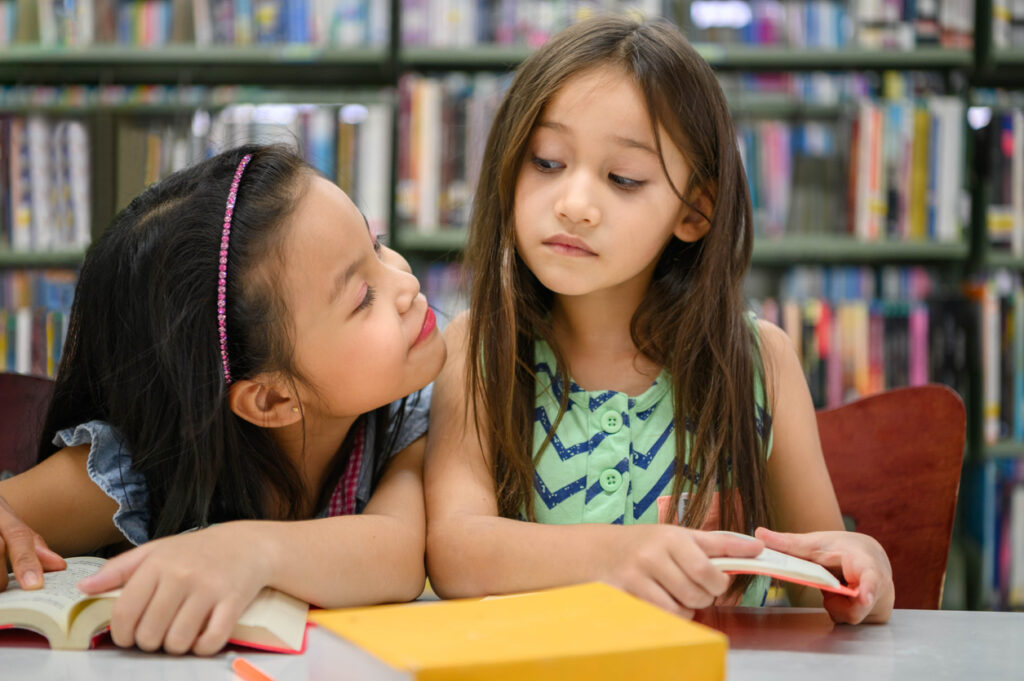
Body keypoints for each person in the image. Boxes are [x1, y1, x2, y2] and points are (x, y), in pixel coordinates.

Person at [424, 15, 893, 625]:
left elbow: (818, 582)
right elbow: (457, 552)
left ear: (695, 211)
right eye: (546, 162)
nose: (574, 204)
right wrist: (622, 553)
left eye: (623, 178)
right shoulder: (478, 347)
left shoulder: (758, 361)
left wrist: (860, 565)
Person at [0, 144, 446, 654]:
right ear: (270, 400)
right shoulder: (136, 470)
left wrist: (246, 551)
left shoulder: (406, 417)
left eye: (379, 245)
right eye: (361, 297)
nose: (407, 283)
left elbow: (397, 552)